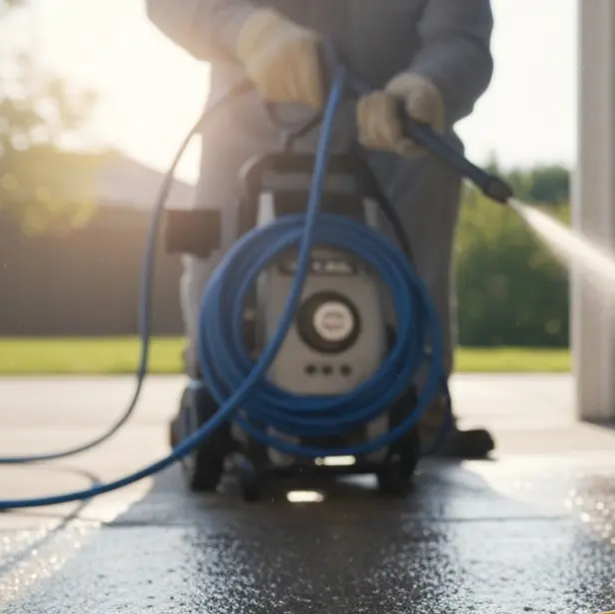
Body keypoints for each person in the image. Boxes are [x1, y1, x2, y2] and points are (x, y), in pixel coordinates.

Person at [146, 0, 497, 459]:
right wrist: (244, 29)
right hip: (247, 131)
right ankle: (219, 399)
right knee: (224, 267)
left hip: (394, 133)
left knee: (407, 261)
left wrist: (431, 83)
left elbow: (461, 37)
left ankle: (418, 405)